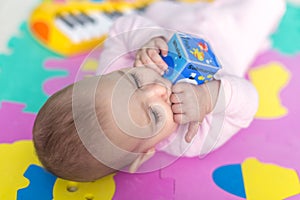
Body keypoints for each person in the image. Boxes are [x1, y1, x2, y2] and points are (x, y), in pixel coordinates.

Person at [33, 0, 285, 182]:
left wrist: (147, 39)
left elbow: (121, 29)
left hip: (175, 18)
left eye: (134, 81)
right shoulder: (191, 140)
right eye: (154, 115)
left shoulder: (113, 70)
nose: (157, 89)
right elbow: (248, 102)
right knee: (269, 7)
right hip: (233, 34)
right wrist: (208, 98)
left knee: (155, 8)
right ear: (145, 153)